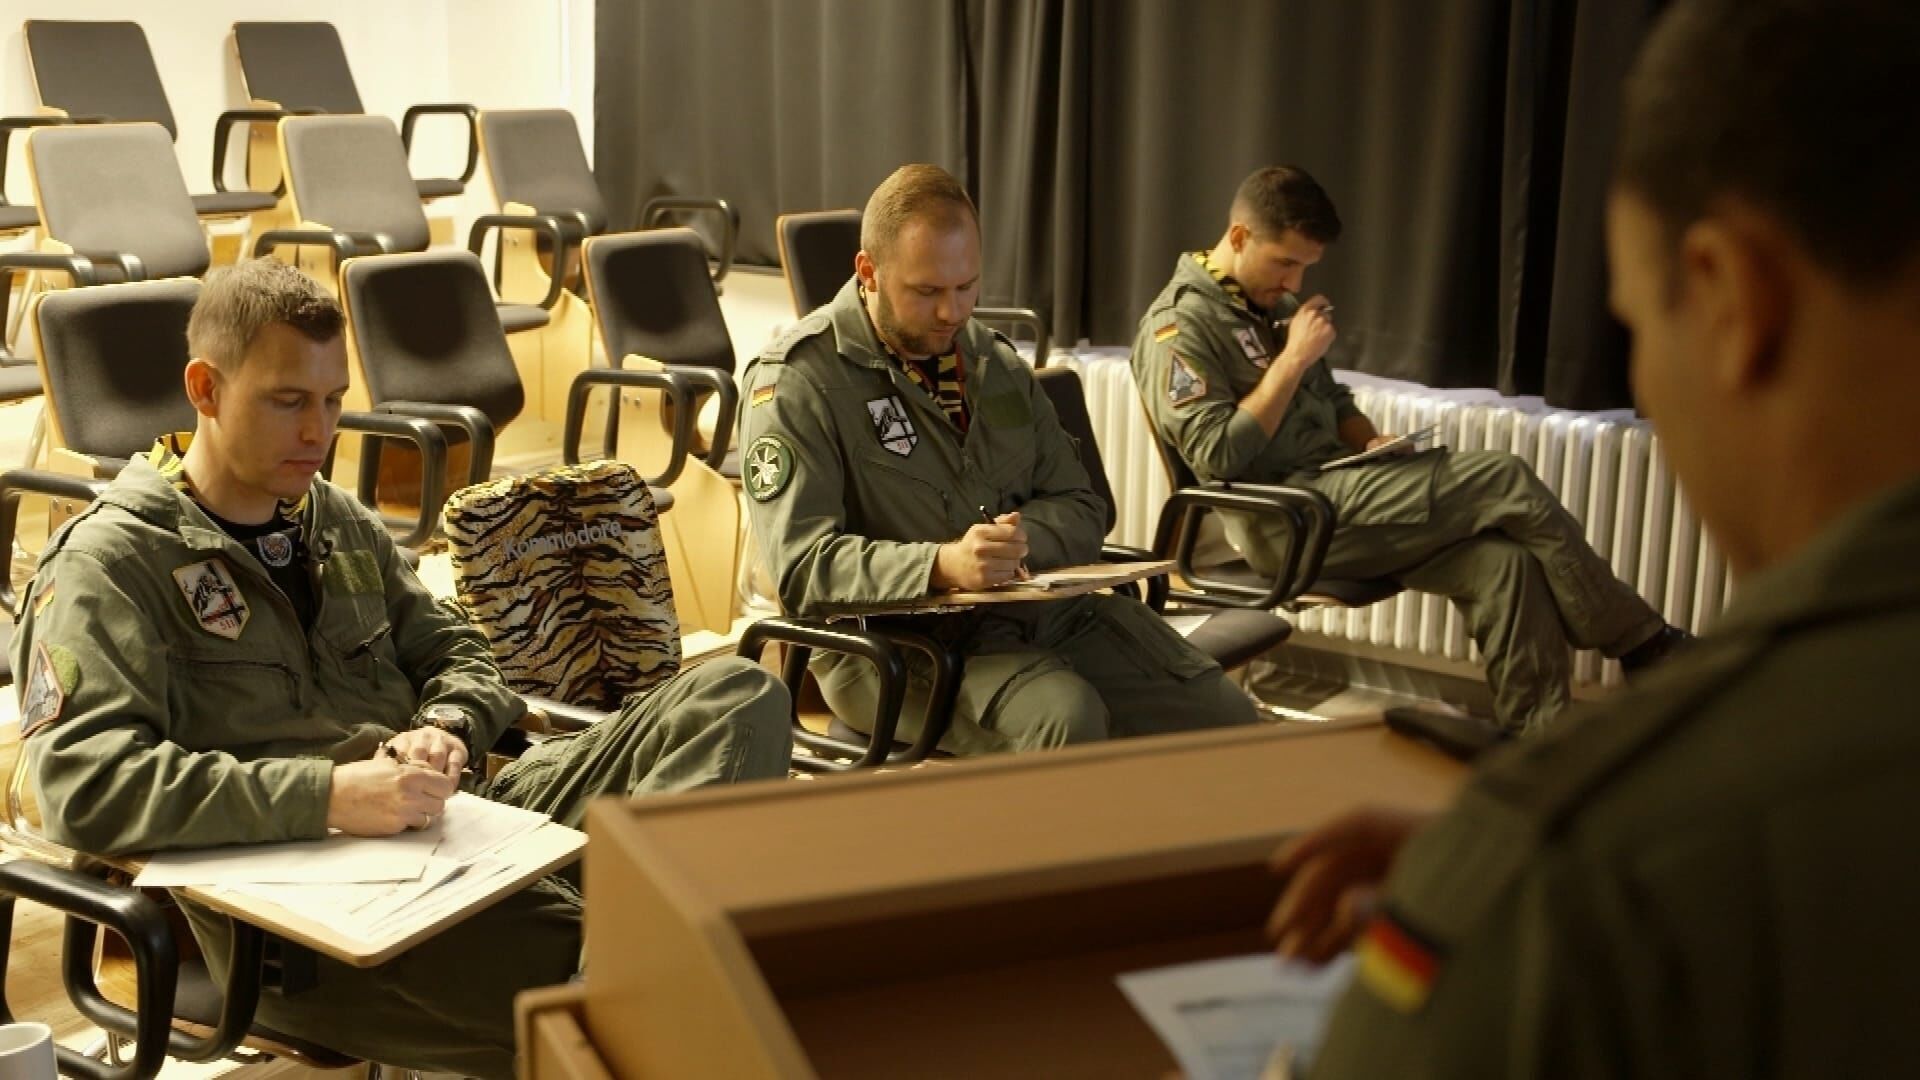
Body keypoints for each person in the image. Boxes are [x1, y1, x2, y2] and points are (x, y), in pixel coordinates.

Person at [1268, 0, 1920, 1073]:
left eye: (1636, 323)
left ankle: (1604, 677)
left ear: (1731, 299)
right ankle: (1640, 639)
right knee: (1502, 491)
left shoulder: (1582, 861)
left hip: (1353, 503)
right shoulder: (1192, 321)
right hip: (1282, 520)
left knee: (1502, 550)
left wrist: (1526, 883)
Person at [14, 259, 792, 1080]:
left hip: (446, 824)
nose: (318, 432)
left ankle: (618, 981)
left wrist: (445, 726)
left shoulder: (331, 519)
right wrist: (327, 795)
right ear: (205, 389)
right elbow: (80, 787)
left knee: (736, 693)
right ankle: (624, 987)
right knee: (677, 966)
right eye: (288, 402)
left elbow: (461, 653)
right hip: (299, 917)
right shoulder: (112, 563)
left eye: (332, 400)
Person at [1131, 166, 1688, 735]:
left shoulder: (1270, 307)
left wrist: (1369, 441)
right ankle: (1640, 642)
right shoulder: (1177, 326)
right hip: (1287, 520)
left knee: (1505, 564)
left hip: (1341, 495)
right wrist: (1292, 359)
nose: (1294, 282)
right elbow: (1219, 455)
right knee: (1502, 478)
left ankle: (1536, 746)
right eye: (1285, 262)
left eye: (1304, 267)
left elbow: (1335, 401)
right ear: (1239, 236)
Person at [739, 164, 1258, 755]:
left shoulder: (992, 363)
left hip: (1033, 610)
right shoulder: (799, 382)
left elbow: (1081, 504)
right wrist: (941, 565)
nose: (952, 312)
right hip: (893, 643)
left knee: (1222, 714)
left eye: (967, 287)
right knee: (1066, 721)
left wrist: (1017, 544)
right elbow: (802, 568)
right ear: (869, 272)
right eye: (927, 292)